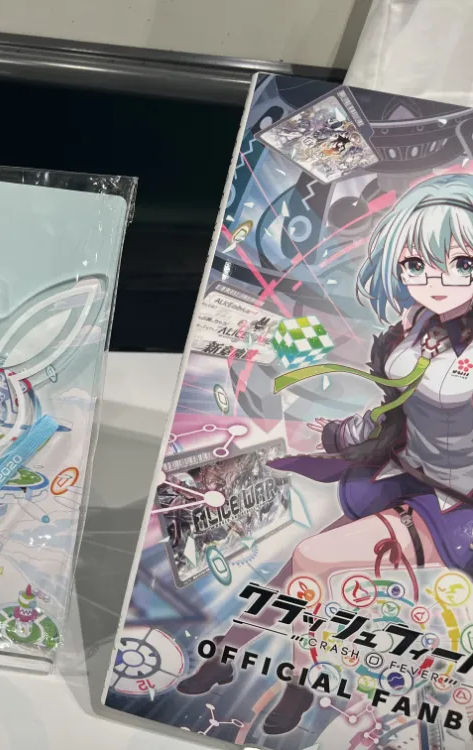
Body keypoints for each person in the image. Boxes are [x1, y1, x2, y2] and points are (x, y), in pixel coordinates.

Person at [178, 172, 473, 734]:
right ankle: (227, 653)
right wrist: (339, 434)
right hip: (409, 476)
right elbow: (396, 408)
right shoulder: (418, 325)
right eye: (416, 263)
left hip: (457, 504)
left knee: (312, 560)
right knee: (295, 570)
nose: (435, 280)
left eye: (462, 263)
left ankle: (300, 685)